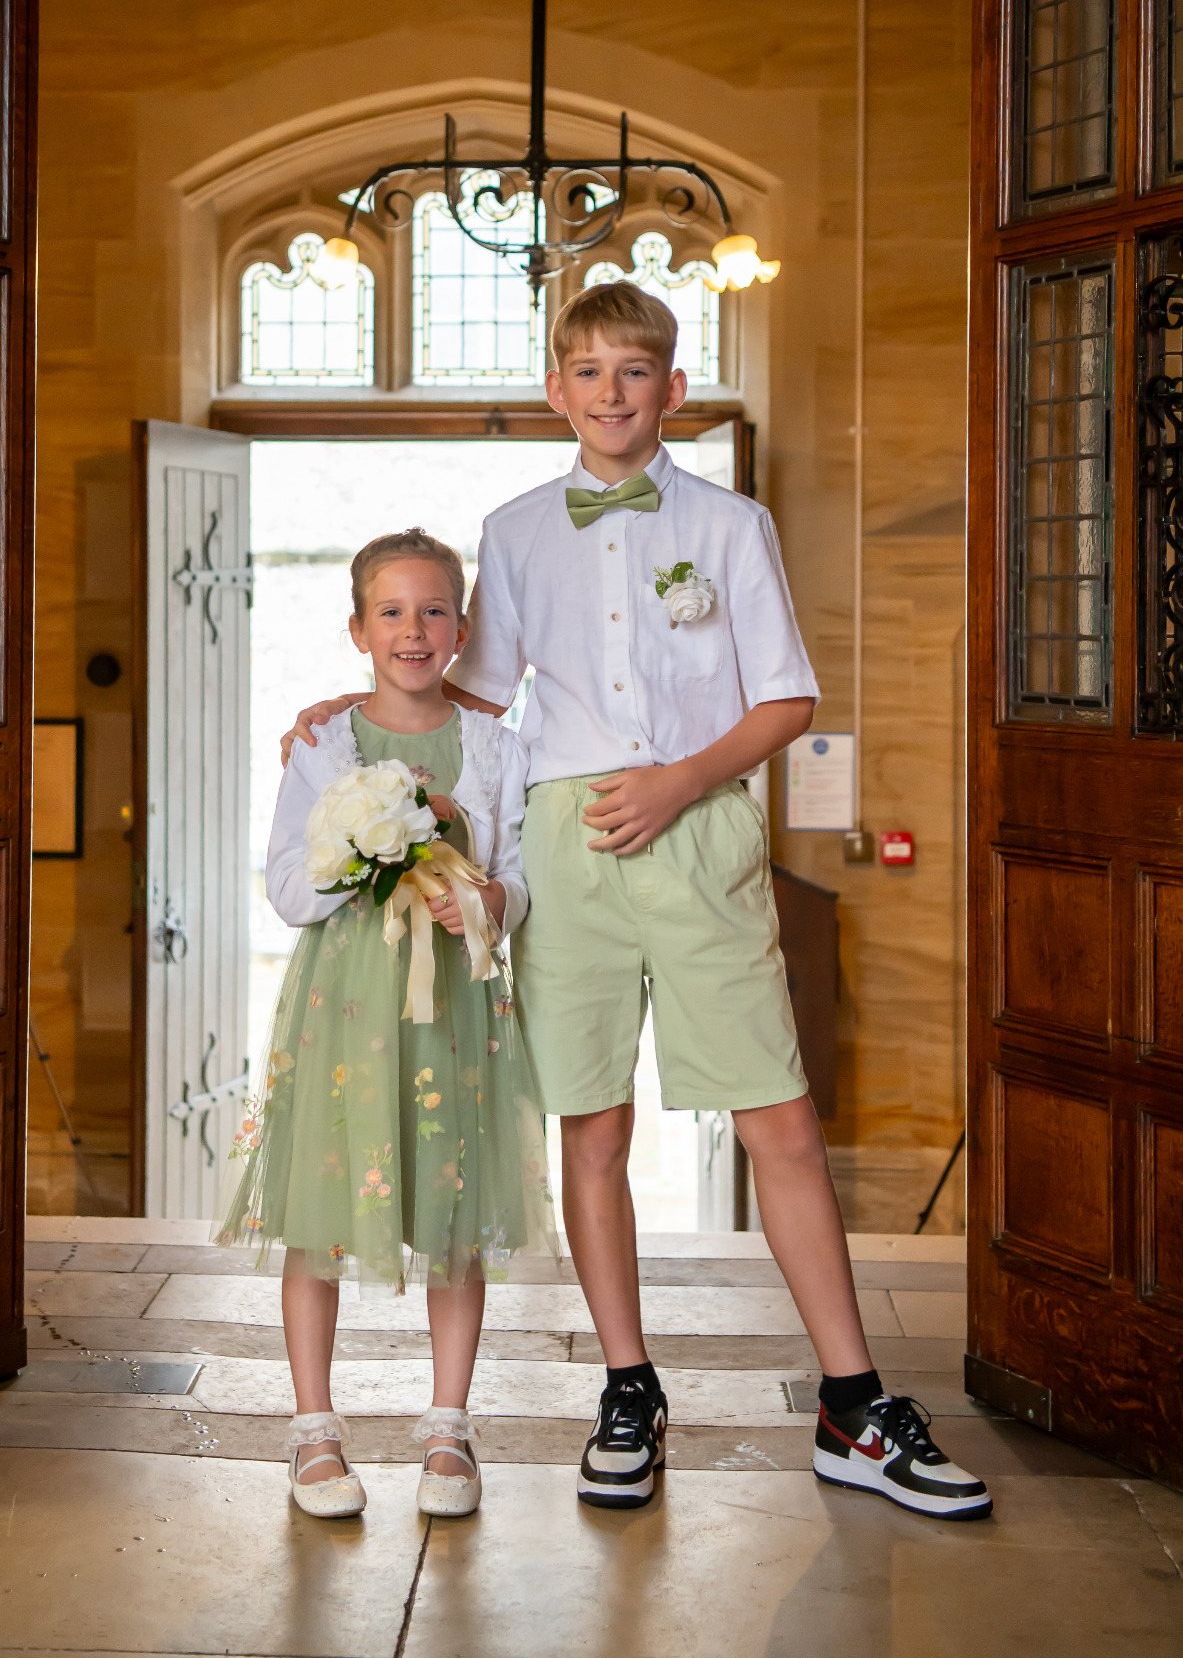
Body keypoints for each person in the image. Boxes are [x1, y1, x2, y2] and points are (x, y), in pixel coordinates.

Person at [282, 284, 991, 1523]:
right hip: (564, 845)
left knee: (778, 1113)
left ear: (674, 388)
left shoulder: (731, 523)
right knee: (592, 1126)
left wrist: (680, 780)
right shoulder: (512, 530)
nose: (612, 391)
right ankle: (628, 1388)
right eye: (589, 370)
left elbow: (786, 698)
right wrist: (349, 716)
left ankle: (852, 1402)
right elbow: (471, 689)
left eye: (635, 370)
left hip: (698, 823)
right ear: (556, 390)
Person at [217, 527, 555, 1521]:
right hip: (347, 1011)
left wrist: (487, 900)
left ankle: (448, 1427)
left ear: (461, 629)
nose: (414, 629)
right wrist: (371, 850)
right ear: (358, 629)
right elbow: (288, 887)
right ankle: (313, 1431)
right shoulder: (323, 747)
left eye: (434, 610)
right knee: (321, 1214)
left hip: (452, 1010)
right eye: (392, 611)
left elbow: (518, 874)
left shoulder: (498, 749)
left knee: (454, 1220)